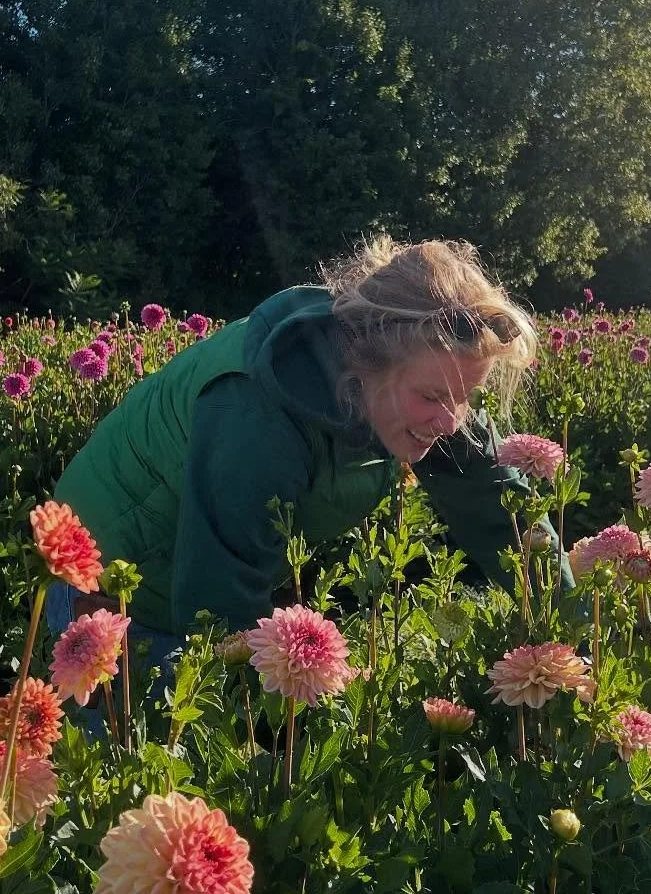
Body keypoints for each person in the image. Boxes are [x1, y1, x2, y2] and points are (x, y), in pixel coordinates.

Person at [46, 237, 568, 692]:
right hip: (112, 571)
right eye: (434, 398)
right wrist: (265, 727)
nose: (451, 421)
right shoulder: (255, 411)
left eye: (466, 398)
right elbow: (218, 603)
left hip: (207, 566)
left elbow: (503, 511)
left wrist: (578, 635)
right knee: (148, 777)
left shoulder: (430, 372)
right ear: (366, 365)